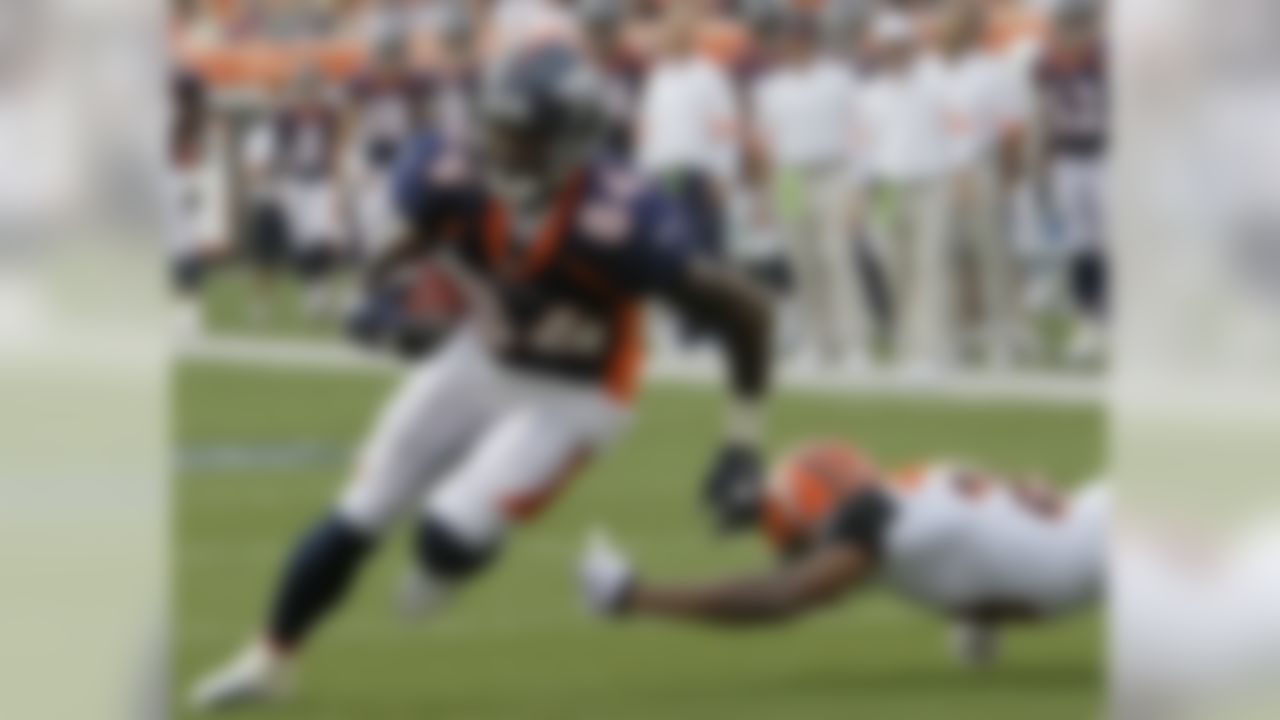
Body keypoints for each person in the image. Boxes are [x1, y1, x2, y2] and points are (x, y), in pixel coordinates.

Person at [191, 43, 774, 711]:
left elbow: (747, 311)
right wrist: (381, 301)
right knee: (361, 511)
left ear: (569, 140)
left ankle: (449, 558)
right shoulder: (449, 166)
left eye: (522, 136)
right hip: (480, 358)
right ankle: (270, 659)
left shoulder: (624, 218)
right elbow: (394, 253)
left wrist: (741, 441)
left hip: (578, 391)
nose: (501, 147)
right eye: (496, 128)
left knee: (447, 536)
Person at [580, 440, 1107, 666]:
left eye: (794, 543)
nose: (794, 556)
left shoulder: (872, 529)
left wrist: (636, 596)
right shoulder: (896, 495)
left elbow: (781, 596)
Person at [750, 10, 868, 368]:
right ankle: (817, 342)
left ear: (814, 42)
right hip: (789, 177)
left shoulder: (840, 79)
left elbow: (860, 131)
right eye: (789, 40)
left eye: (801, 39)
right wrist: (763, 194)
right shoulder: (770, 88)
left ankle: (853, 344)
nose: (794, 46)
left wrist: (857, 184)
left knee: (838, 258)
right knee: (803, 262)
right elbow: (765, 144)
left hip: (831, 171)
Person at [856, 11, 953, 376]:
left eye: (899, 46)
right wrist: (860, 192)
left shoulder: (935, 83)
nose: (892, 53)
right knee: (895, 267)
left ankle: (929, 353)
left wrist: (959, 172)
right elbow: (863, 149)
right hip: (887, 187)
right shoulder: (869, 93)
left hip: (929, 182)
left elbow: (954, 130)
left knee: (928, 265)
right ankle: (908, 345)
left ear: (911, 47)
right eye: (886, 47)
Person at [1036, 0, 1107, 366]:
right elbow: (1044, 110)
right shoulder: (1047, 60)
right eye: (1067, 19)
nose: (1072, 27)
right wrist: (1045, 154)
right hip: (1069, 158)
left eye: (1078, 19)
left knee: (1114, 240)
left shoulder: (1106, 57)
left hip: (1108, 156)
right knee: (1081, 244)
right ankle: (1089, 321)